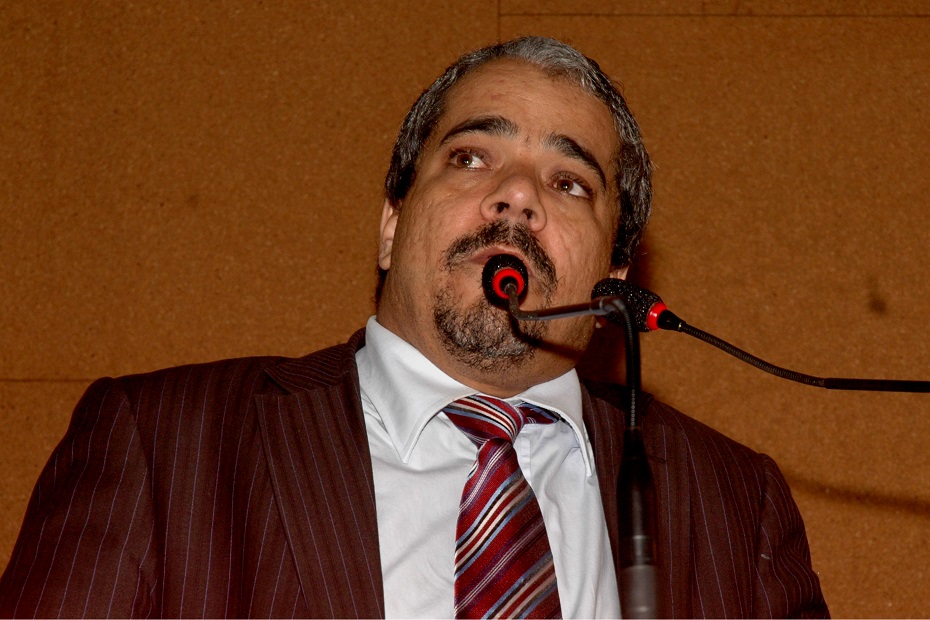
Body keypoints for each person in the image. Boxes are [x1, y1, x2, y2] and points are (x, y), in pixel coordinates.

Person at [0, 36, 828, 618]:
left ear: (615, 281)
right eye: (471, 158)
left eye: (569, 182)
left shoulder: (734, 502)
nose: (517, 196)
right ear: (391, 227)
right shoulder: (163, 443)